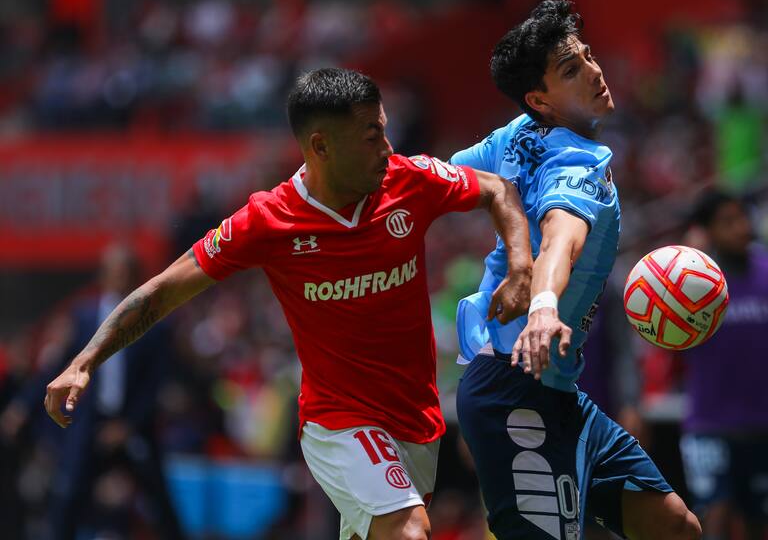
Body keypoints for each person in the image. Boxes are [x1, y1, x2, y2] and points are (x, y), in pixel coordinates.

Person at [45, 68, 533, 540]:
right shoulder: (268, 220)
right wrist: (84, 361)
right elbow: (163, 291)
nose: (387, 148)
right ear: (320, 145)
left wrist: (520, 267)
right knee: (407, 528)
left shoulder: (410, 181)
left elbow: (497, 190)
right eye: (370, 137)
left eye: (384, 131)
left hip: (415, 418)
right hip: (338, 421)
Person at [450, 0, 701, 540]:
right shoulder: (576, 162)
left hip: (557, 393)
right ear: (541, 99)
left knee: (675, 527)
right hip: (513, 390)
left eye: (586, 56)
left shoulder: (515, 134)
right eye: (571, 69)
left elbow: (442, 173)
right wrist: (543, 305)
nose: (593, 70)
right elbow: (561, 241)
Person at [25, 245, 186, 540]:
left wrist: (128, 425)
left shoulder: (154, 322)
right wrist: (23, 404)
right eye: (113, 272)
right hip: (92, 423)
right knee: (69, 494)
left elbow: (156, 382)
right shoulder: (83, 318)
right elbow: (59, 365)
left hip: (133, 426)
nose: (119, 279)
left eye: (125, 273)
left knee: (160, 501)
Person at [679, 190, 768, 540]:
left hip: (762, 426)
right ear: (707, 230)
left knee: (759, 523)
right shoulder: (694, 284)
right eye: (727, 222)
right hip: (709, 425)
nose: (741, 227)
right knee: (713, 517)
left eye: (743, 217)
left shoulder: (766, 271)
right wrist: (692, 252)